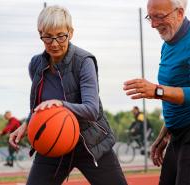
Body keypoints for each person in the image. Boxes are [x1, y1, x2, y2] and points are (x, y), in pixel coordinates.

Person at [9, 5, 127, 185]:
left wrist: (60, 104)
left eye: (61, 36)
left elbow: (91, 110)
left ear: (70, 33)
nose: (54, 43)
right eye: (48, 36)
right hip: (53, 140)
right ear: (40, 33)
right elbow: (39, 106)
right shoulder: (36, 64)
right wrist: (27, 124)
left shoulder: (84, 61)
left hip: (90, 143)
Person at [123, 0, 190, 184]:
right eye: (150, 17)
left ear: (179, 13)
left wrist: (156, 91)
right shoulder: (167, 45)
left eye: (159, 17)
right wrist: (164, 134)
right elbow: (175, 96)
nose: (153, 24)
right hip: (178, 132)